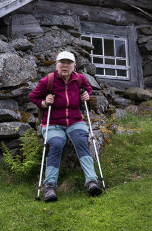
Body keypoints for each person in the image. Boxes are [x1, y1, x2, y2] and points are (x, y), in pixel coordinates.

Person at [29, 50, 102, 201]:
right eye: (62, 62)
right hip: (53, 124)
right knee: (56, 143)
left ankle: (91, 181)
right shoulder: (48, 81)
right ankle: (49, 186)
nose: (65, 65)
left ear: (74, 66)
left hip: (75, 121)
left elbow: (88, 90)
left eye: (68, 63)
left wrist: (86, 96)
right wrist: (44, 102)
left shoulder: (79, 79)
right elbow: (33, 97)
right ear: (57, 65)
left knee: (81, 140)